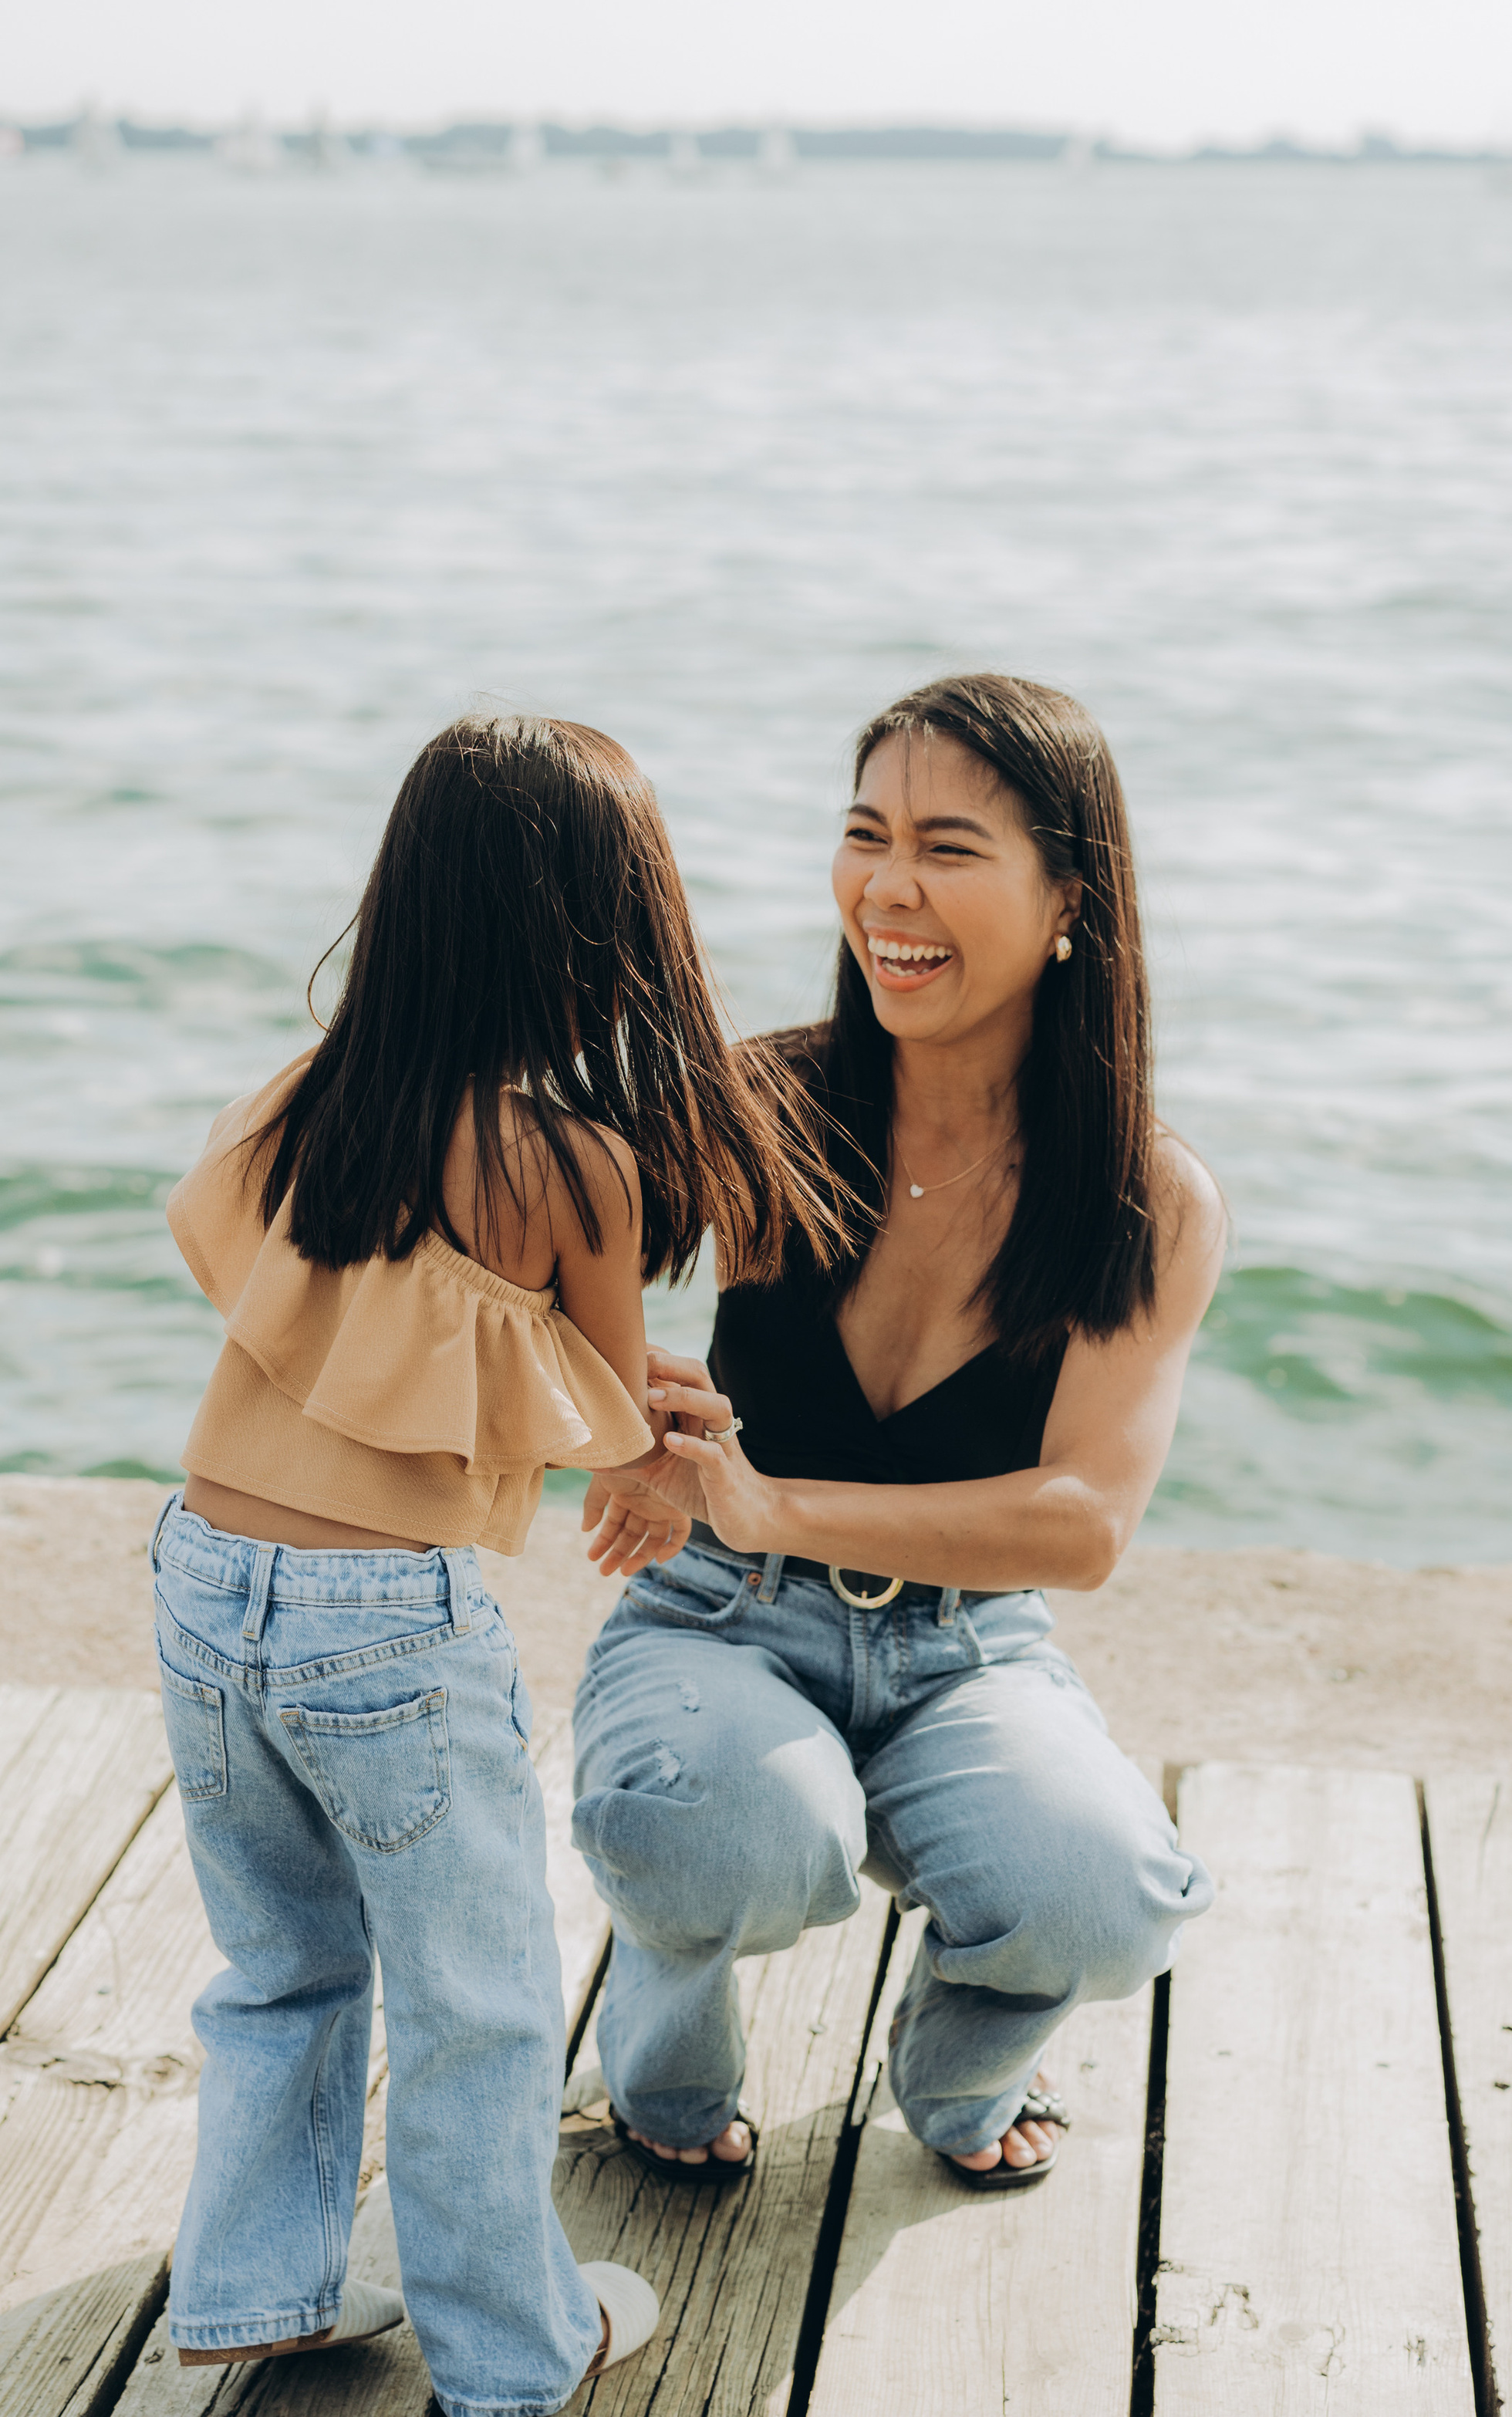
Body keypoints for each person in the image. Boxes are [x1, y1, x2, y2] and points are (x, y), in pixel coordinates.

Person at [151, 714, 839, 2416]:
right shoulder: (571, 1162)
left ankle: (254, 2284)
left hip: (200, 1575)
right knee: (476, 2004)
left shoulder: (299, 1107)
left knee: (280, 1965)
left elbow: (334, 1320)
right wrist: (662, 1467)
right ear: (600, 944)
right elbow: (597, 1404)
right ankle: (509, 2353)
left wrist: (613, 1412)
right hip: (386, 1627)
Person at [572, 673, 1225, 2191]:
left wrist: (763, 1497)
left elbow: (1077, 1525)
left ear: (1070, 896)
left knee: (1101, 1896)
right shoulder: (760, 1107)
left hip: (968, 1651)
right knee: (717, 1827)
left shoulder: (1146, 1195)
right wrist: (617, 1412)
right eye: (863, 835)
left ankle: (961, 2076)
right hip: (717, 1626)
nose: (885, 888)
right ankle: (661, 2069)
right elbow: (526, 1218)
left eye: (945, 846)